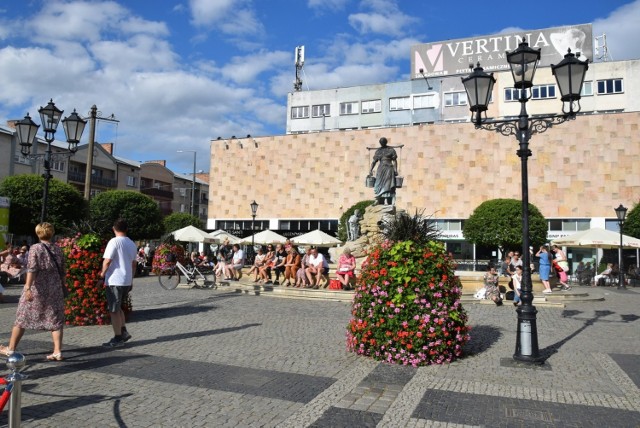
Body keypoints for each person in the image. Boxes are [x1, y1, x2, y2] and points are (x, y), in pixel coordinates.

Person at [0, 223, 66, 360]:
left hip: (38, 288)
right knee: (55, 319)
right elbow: (63, 271)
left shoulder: (36, 248)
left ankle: (11, 349)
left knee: (22, 317)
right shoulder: (58, 249)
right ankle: (57, 351)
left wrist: (28, 287)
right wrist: (61, 286)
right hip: (54, 288)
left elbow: (32, 269)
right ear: (52, 233)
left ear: (38, 233)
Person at [100, 219, 138, 348]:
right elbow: (134, 264)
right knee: (119, 307)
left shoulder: (114, 242)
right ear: (126, 229)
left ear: (114, 229)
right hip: (126, 280)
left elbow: (107, 261)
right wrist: (131, 279)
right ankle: (123, 332)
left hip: (115, 280)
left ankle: (117, 338)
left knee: (114, 310)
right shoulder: (132, 243)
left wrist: (101, 275)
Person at [369, 137, 398, 205]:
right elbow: (374, 161)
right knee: (378, 184)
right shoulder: (378, 151)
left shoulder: (391, 150)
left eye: (383, 142)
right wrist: (370, 169)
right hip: (381, 169)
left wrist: (395, 170)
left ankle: (390, 201)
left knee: (389, 184)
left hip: (389, 169)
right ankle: (379, 199)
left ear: (385, 142)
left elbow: (394, 160)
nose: (382, 143)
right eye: (381, 142)